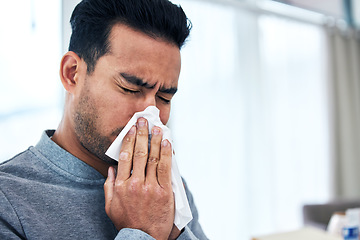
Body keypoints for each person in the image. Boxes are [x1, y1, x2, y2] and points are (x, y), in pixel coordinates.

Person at [0, 0, 208, 239]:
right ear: (72, 74)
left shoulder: (164, 190)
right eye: (130, 88)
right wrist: (143, 232)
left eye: (164, 97)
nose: (150, 116)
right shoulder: (8, 201)